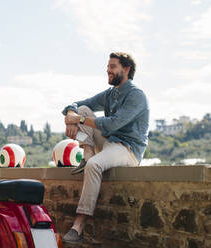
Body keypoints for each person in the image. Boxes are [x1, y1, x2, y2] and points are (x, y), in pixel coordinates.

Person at [61, 52, 149, 243]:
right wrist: (71, 113)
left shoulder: (136, 96)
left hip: (128, 150)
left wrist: (80, 120)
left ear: (126, 69)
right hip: (109, 144)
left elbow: (112, 124)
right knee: (82, 109)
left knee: (94, 164)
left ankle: (79, 225)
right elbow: (79, 104)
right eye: (108, 66)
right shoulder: (111, 94)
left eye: (112, 66)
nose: (108, 70)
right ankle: (88, 152)